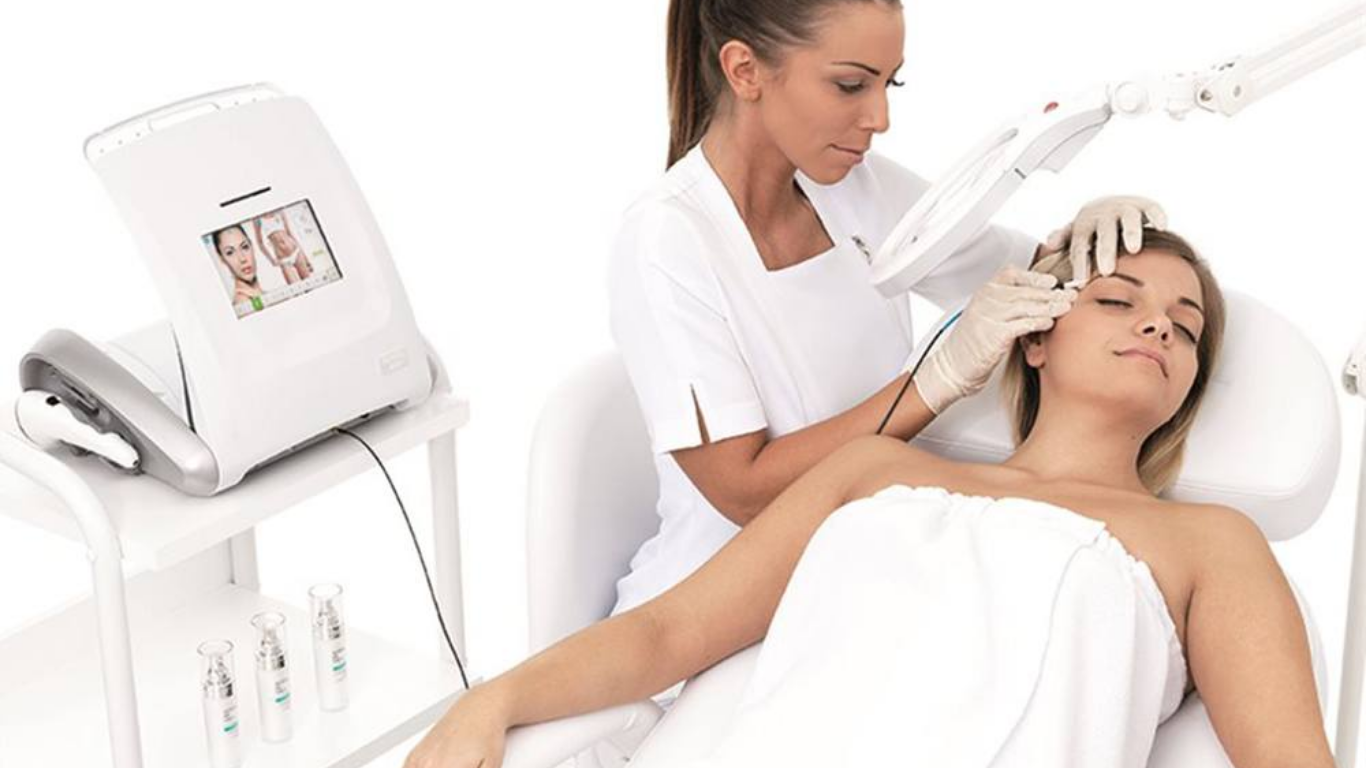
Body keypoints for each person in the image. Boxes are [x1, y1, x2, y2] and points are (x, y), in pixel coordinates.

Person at [406, 230, 1333, 767]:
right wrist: (494, 701)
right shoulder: (875, 473)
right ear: (1034, 338)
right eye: (1118, 300)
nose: (1156, 327)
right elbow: (667, 635)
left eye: (1185, 328)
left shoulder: (1212, 544)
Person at [607, 0, 1168, 616]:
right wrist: (933, 382)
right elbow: (741, 492)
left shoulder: (857, 186)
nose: (879, 118)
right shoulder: (669, 239)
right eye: (850, 84)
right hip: (716, 606)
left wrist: (1096, 241)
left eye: (888, 82)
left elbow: (1036, 280)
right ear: (745, 71)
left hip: (862, 572)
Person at [211, 225, 265, 311]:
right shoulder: (244, 301)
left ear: (252, 246)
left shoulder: (257, 296)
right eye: (230, 252)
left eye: (245, 247)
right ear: (221, 258)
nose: (242, 259)